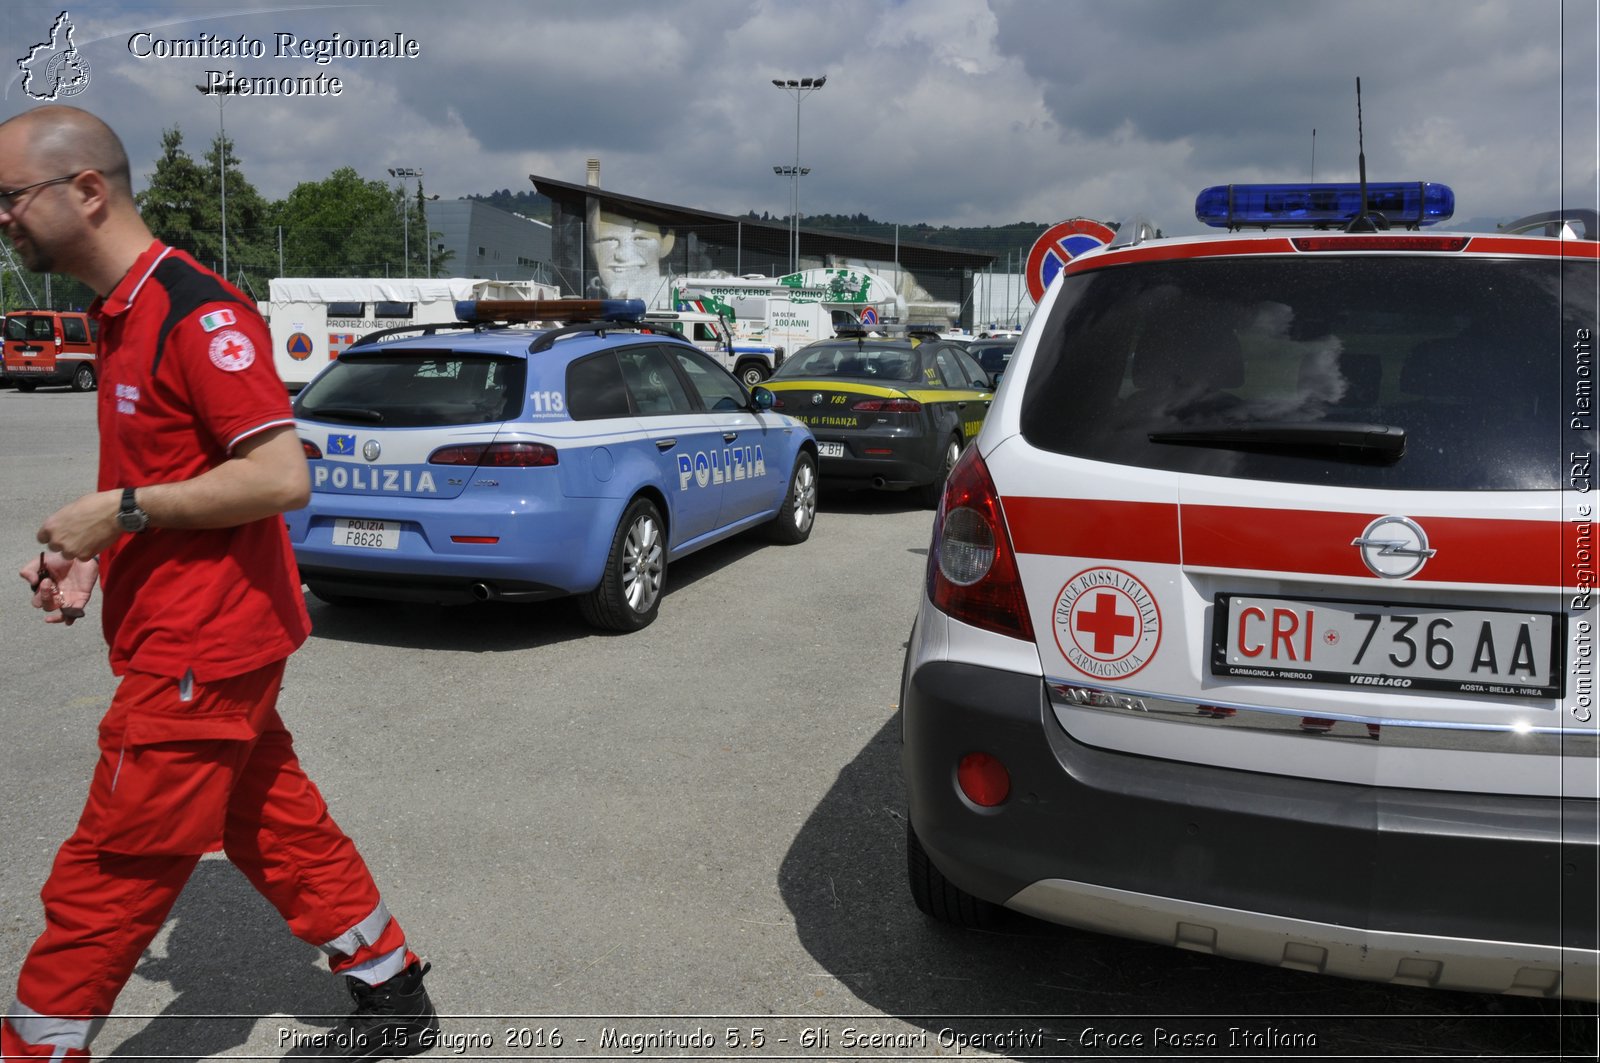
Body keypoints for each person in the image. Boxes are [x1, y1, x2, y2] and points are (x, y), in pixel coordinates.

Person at [1, 105, 437, 1062]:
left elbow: (280, 475)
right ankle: (391, 986)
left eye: (11, 197)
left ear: (86, 191)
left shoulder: (196, 312)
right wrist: (93, 551)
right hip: (201, 638)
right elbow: (175, 476)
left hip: (202, 649)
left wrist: (114, 512)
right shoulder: (117, 313)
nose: (2, 219)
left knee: (113, 869)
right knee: (271, 819)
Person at [588, 206, 675, 303]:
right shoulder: (588, 297)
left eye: (639, 239)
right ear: (589, 246)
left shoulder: (675, 297)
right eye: (609, 240)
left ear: (667, 243)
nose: (623, 256)